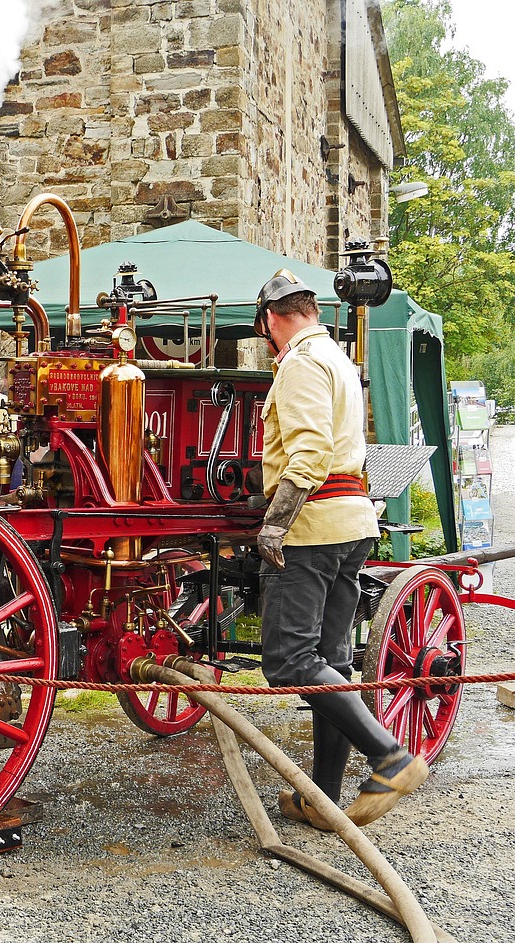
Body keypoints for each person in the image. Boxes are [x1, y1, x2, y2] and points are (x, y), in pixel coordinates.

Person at [254, 269, 427, 829]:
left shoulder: (301, 363)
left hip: (313, 527)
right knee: (330, 661)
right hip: (351, 520)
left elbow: (309, 451)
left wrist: (275, 523)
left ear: (271, 319)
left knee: (291, 662)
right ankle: (323, 800)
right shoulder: (337, 358)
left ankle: (390, 757)